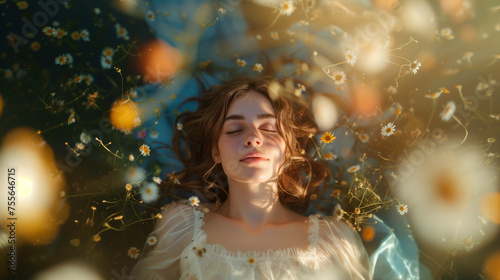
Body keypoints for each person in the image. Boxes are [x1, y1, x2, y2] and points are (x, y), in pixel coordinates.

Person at [130, 76, 371, 279]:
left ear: (288, 149)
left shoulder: (333, 240)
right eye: (234, 130)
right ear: (216, 151)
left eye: (269, 129)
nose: (253, 138)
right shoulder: (181, 228)